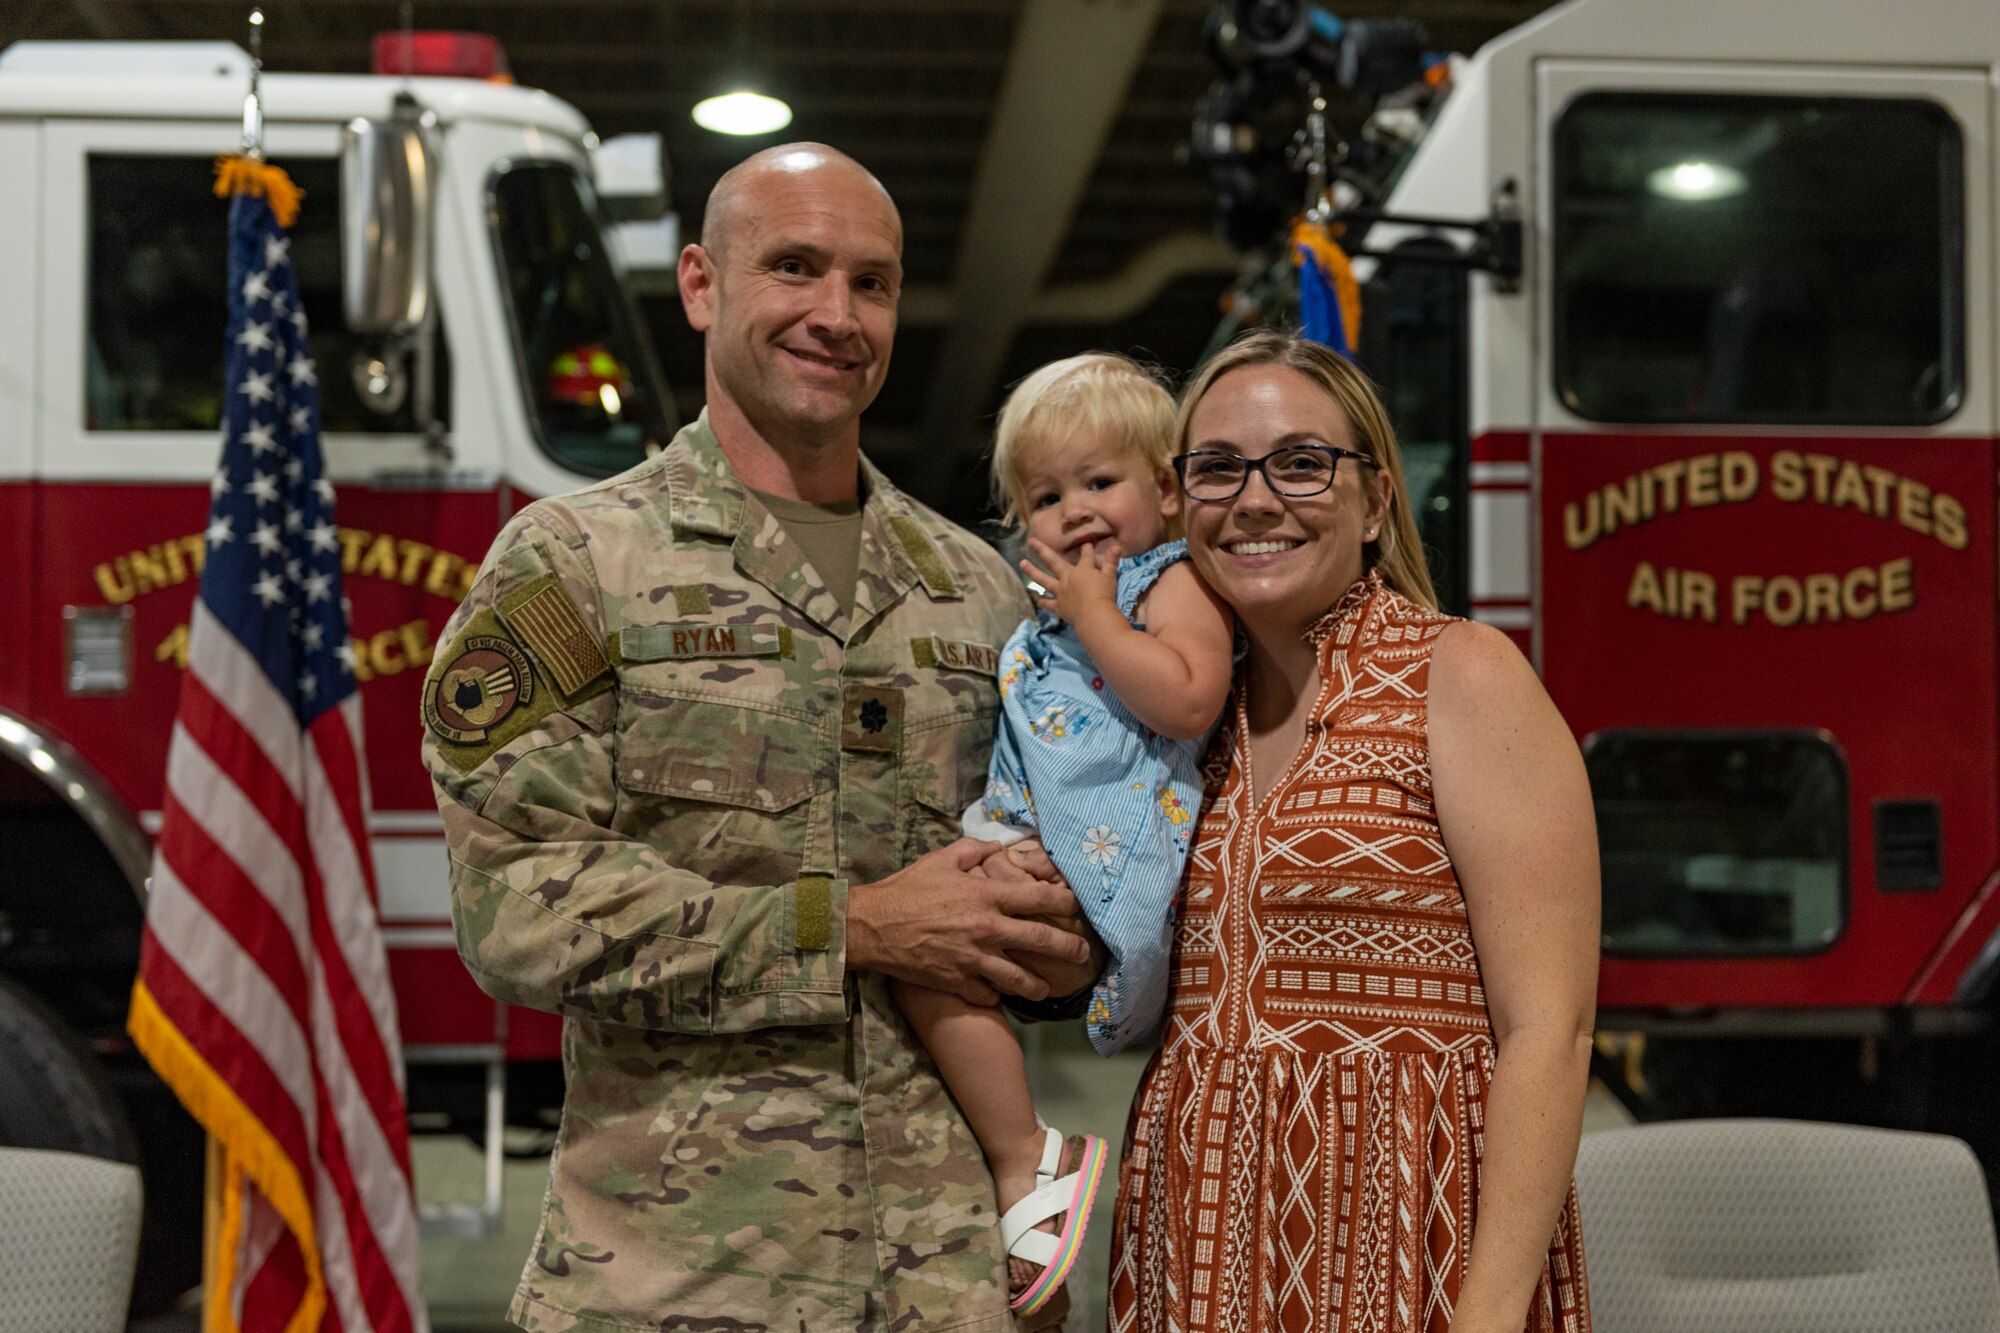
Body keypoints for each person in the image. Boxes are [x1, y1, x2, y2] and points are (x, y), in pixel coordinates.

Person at [420, 143, 1097, 1333]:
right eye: (794, 267)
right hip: (675, 1276)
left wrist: (1057, 953)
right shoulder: (577, 562)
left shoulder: (974, 591)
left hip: (941, 1280)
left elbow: (1051, 869)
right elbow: (516, 908)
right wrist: (857, 926)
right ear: (700, 284)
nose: (836, 315)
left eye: (871, 283)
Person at [1108, 330, 1598, 1332]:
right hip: (1199, 1241)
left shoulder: (1457, 674)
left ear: (1374, 500)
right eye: (1216, 468)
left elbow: (1549, 1029)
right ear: (1178, 499)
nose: (1252, 499)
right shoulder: (1185, 718)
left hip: (1411, 1242)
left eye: (1299, 463)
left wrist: (1491, 1314)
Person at [892, 354, 1234, 1316]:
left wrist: (1094, 614)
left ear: (1165, 490)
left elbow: (1189, 696)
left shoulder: (1172, 584)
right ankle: (1026, 1165)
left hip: (1114, 846)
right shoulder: (1052, 615)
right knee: (921, 958)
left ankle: (1025, 1159)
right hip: (1040, 833)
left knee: (930, 961)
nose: (1075, 510)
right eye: (1047, 495)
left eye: (1100, 481)